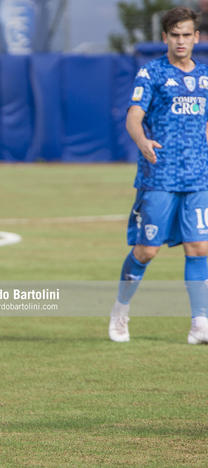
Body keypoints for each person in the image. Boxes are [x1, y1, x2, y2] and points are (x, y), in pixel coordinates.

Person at [109, 6, 208, 344]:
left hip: (198, 177)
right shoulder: (150, 73)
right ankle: (121, 309)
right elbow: (134, 116)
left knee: (199, 247)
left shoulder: (206, 77)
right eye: (175, 35)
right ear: (165, 37)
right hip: (160, 176)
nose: (181, 41)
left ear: (197, 37)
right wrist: (142, 140)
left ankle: (200, 324)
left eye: (187, 35)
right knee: (146, 251)